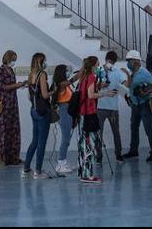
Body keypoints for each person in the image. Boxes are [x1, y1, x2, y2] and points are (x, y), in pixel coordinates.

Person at [0, 50, 28, 167]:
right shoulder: (0, 71)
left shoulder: (11, 70)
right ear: (8, 58)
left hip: (13, 104)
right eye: (13, 59)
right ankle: (1, 158)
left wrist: (21, 85)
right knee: (3, 130)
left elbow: (11, 86)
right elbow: (3, 87)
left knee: (14, 130)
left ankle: (13, 157)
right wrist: (17, 85)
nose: (14, 62)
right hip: (4, 104)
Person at [122, 50, 152, 162]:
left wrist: (144, 93)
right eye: (127, 61)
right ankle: (133, 150)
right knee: (134, 127)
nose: (128, 63)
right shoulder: (131, 72)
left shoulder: (144, 73)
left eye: (129, 60)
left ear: (136, 61)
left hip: (144, 104)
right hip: (134, 104)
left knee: (148, 129)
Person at [77, 55, 108, 184]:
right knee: (90, 144)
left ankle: (83, 172)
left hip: (82, 114)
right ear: (93, 65)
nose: (98, 67)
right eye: (97, 64)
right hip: (89, 114)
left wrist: (98, 86)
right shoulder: (90, 76)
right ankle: (88, 175)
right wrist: (105, 93)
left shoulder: (83, 77)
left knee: (83, 143)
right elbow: (90, 95)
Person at [22, 53, 53, 179]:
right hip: (42, 112)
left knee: (34, 140)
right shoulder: (42, 74)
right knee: (42, 142)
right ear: (41, 61)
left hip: (33, 110)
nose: (46, 62)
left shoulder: (31, 75)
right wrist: (54, 91)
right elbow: (45, 95)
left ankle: (26, 169)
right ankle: (38, 171)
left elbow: (29, 96)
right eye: (45, 60)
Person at [96, 51, 127, 163]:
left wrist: (128, 75)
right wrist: (101, 84)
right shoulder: (98, 70)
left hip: (113, 108)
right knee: (99, 132)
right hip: (100, 106)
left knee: (116, 132)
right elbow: (93, 86)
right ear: (105, 60)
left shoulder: (117, 72)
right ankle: (98, 156)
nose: (111, 64)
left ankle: (118, 154)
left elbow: (125, 84)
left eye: (113, 62)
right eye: (109, 61)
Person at [51, 64, 76, 176]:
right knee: (65, 138)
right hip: (64, 110)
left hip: (69, 109)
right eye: (66, 71)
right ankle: (60, 163)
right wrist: (83, 70)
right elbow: (72, 80)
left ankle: (64, 161)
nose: (68, 72)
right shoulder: (60, 84)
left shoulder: (65, 85)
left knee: (67, 138)